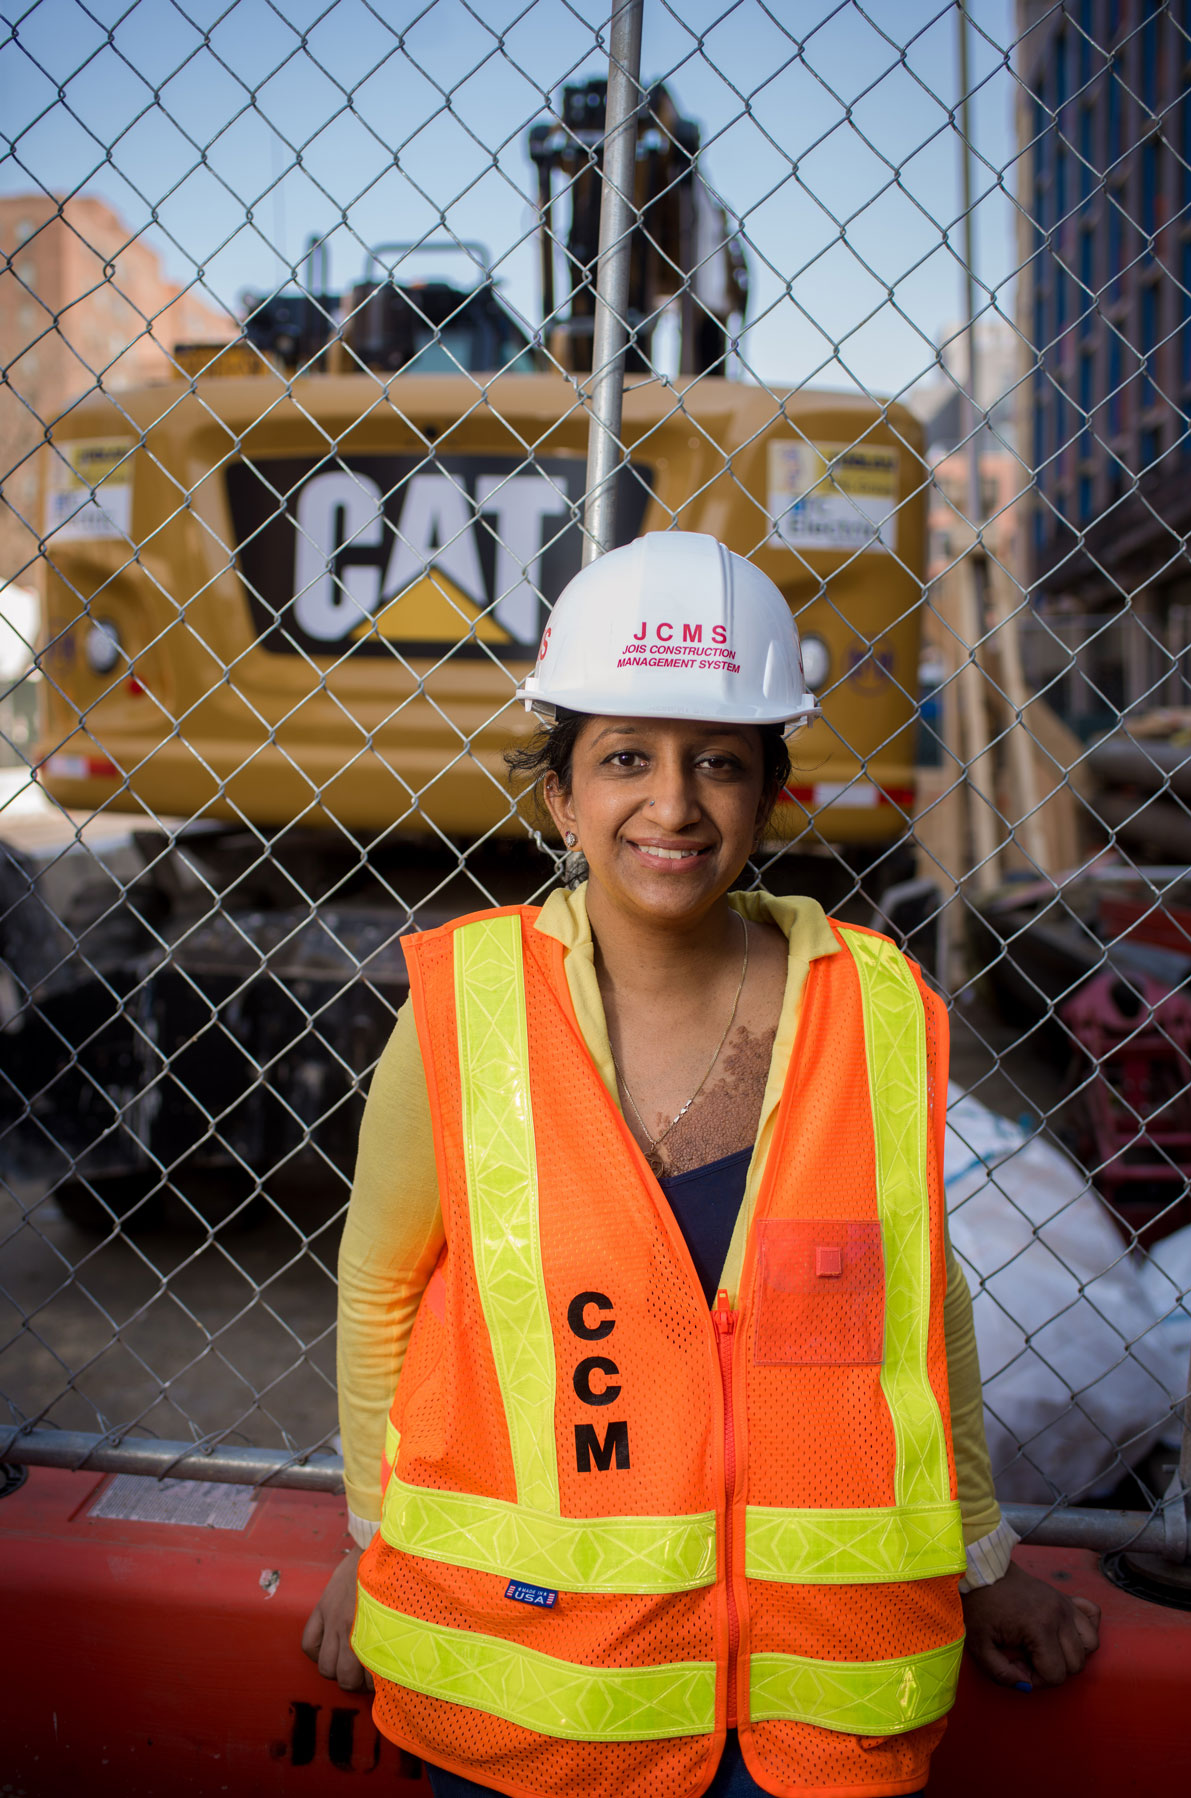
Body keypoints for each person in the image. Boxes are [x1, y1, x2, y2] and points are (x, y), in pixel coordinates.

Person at [304, 533, 1100, 1798]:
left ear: (770, 792)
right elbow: (379, 1290)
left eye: (718, 764)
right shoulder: (467, 1011)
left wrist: (985, 1555)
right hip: (539, 1701)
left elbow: (922, 1305)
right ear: (561, 794)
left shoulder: (873, 1008)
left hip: (817, 1711)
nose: (672, 805)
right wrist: (369, 1536)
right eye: (625, 757)